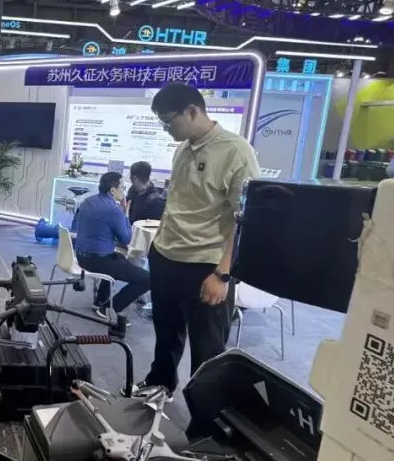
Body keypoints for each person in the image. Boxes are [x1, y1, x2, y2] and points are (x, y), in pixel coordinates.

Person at [142, 83, 260, 395]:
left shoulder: (236, 152)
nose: (166, 129)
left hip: (205, 266)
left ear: (193, 111)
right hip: (166, 256)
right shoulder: (183, 148)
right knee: (166, 334)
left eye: (169, 121)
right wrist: (158, 245)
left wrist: (223, 274)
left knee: (207, 349)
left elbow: (245, 220)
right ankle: (159, 385)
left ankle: (204, 414)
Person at [73, 172, 151, 320]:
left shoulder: (88, 201)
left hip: (81, 256)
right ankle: (109, 308)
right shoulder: (114, 210)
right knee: (148, 279)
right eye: (123, 187)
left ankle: (100, 300)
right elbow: (126, 239)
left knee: (118, 259)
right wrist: (125, 214)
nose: (125, 190)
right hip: (98, 260)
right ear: (113, 190)